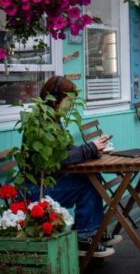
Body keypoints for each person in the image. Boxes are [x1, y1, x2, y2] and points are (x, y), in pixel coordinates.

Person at [25, 76, 121, 257]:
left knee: (91, 178)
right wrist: (90, 148)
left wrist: (93, 149)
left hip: (50, 182)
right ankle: (85, 237)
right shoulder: (40, 122)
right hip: (37, 188)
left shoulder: (52, 119)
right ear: (55, 99)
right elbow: (59, 159)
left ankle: (93, 232)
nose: (71, 105)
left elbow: (66, 149)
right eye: (68, 100)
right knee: (87, 183)